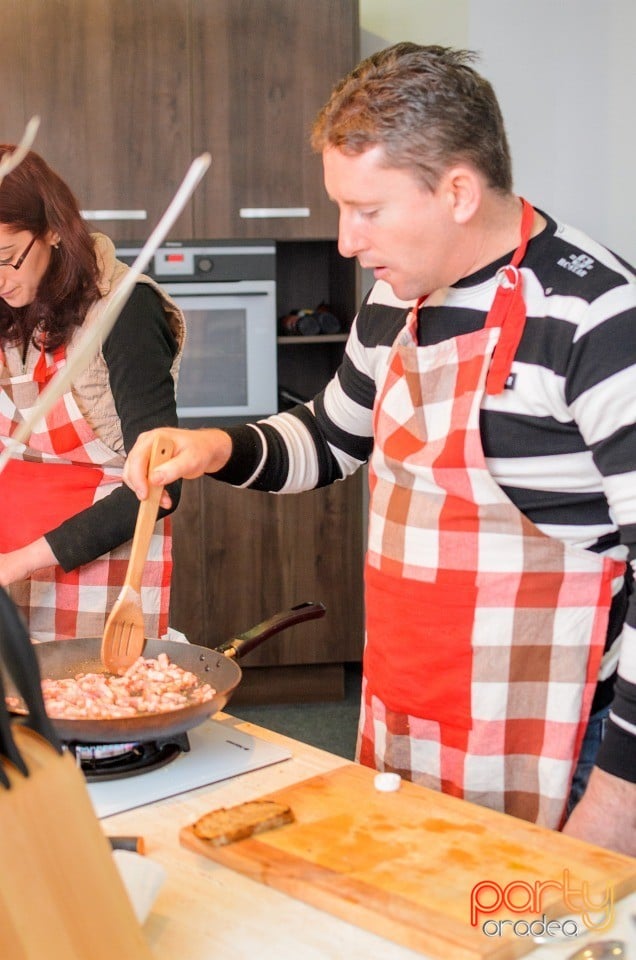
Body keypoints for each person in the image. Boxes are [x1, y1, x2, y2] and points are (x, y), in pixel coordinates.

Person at [123, 44, 636, 854]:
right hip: (409, 708)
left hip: (563, 746)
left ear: (459, 191)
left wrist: (619, 805)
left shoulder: (598, 318)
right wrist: (213, 447)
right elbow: (331, 437)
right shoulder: (395, 298)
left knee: (536, 929)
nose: (346, 240)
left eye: (367, 210)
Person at [0, 146, 184, 642]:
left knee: (92, 708)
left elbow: (158, 488)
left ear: (53, 230)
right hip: (8, 565)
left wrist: (17, 564)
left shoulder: (123, 311)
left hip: (98, 580)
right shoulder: (11, 302)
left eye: (4, 258)